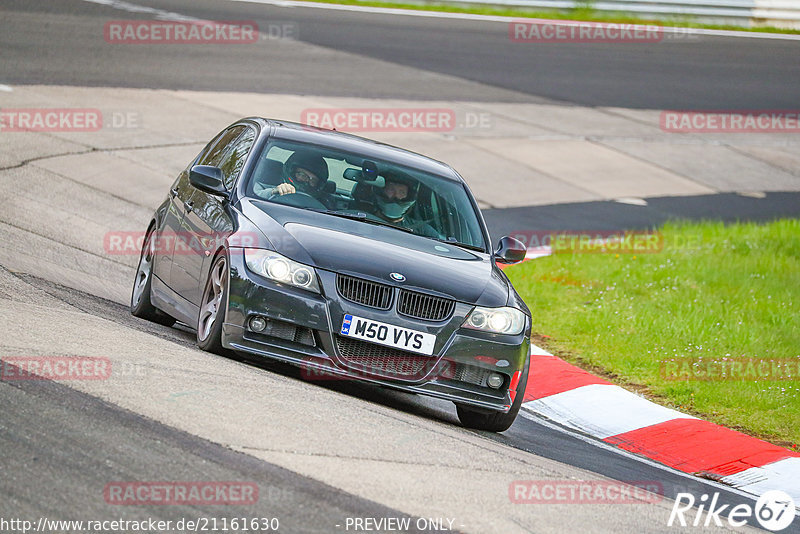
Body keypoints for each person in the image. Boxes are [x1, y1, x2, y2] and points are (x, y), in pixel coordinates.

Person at [371, 171, 440, 238]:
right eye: (391, 190)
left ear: (408, 196)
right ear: (382, 191)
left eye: (402, 192)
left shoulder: (423, 231)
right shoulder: (364, 219)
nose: (396, 196)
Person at [254, 151, 332, 206]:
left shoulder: (325, 202)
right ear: (291, 171)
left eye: (313, 180)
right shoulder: (263, 186)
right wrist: (275, 192)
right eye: (302, 174)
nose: (306, 180)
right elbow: (254, 197)